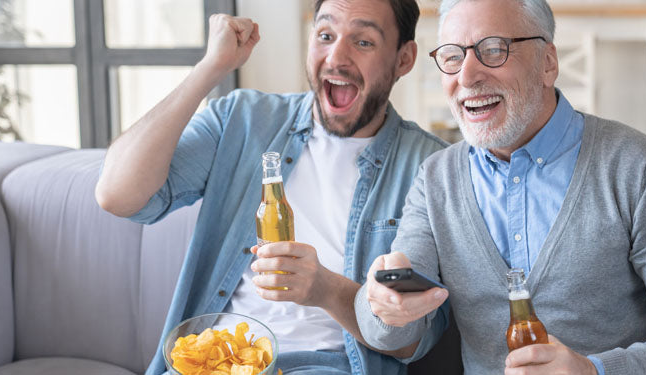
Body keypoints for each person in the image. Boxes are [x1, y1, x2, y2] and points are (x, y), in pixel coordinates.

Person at [354, 0, 646, 374]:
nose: (467, 77)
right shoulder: (435, 179)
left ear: (548, 62)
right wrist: (383, 307)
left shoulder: (642, 170)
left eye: (494, 50)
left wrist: (595, 371)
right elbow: (395, 333)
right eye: (453, 56)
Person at [95, 0, 447, 374]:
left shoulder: (430, 168)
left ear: (404, 59)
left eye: (363, 42)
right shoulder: (242, 119)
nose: (336, 57)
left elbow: (410, 342)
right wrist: (209, 68)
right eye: (325, 35)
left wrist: (324, 289)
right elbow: (116, 195)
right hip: (214, 359)